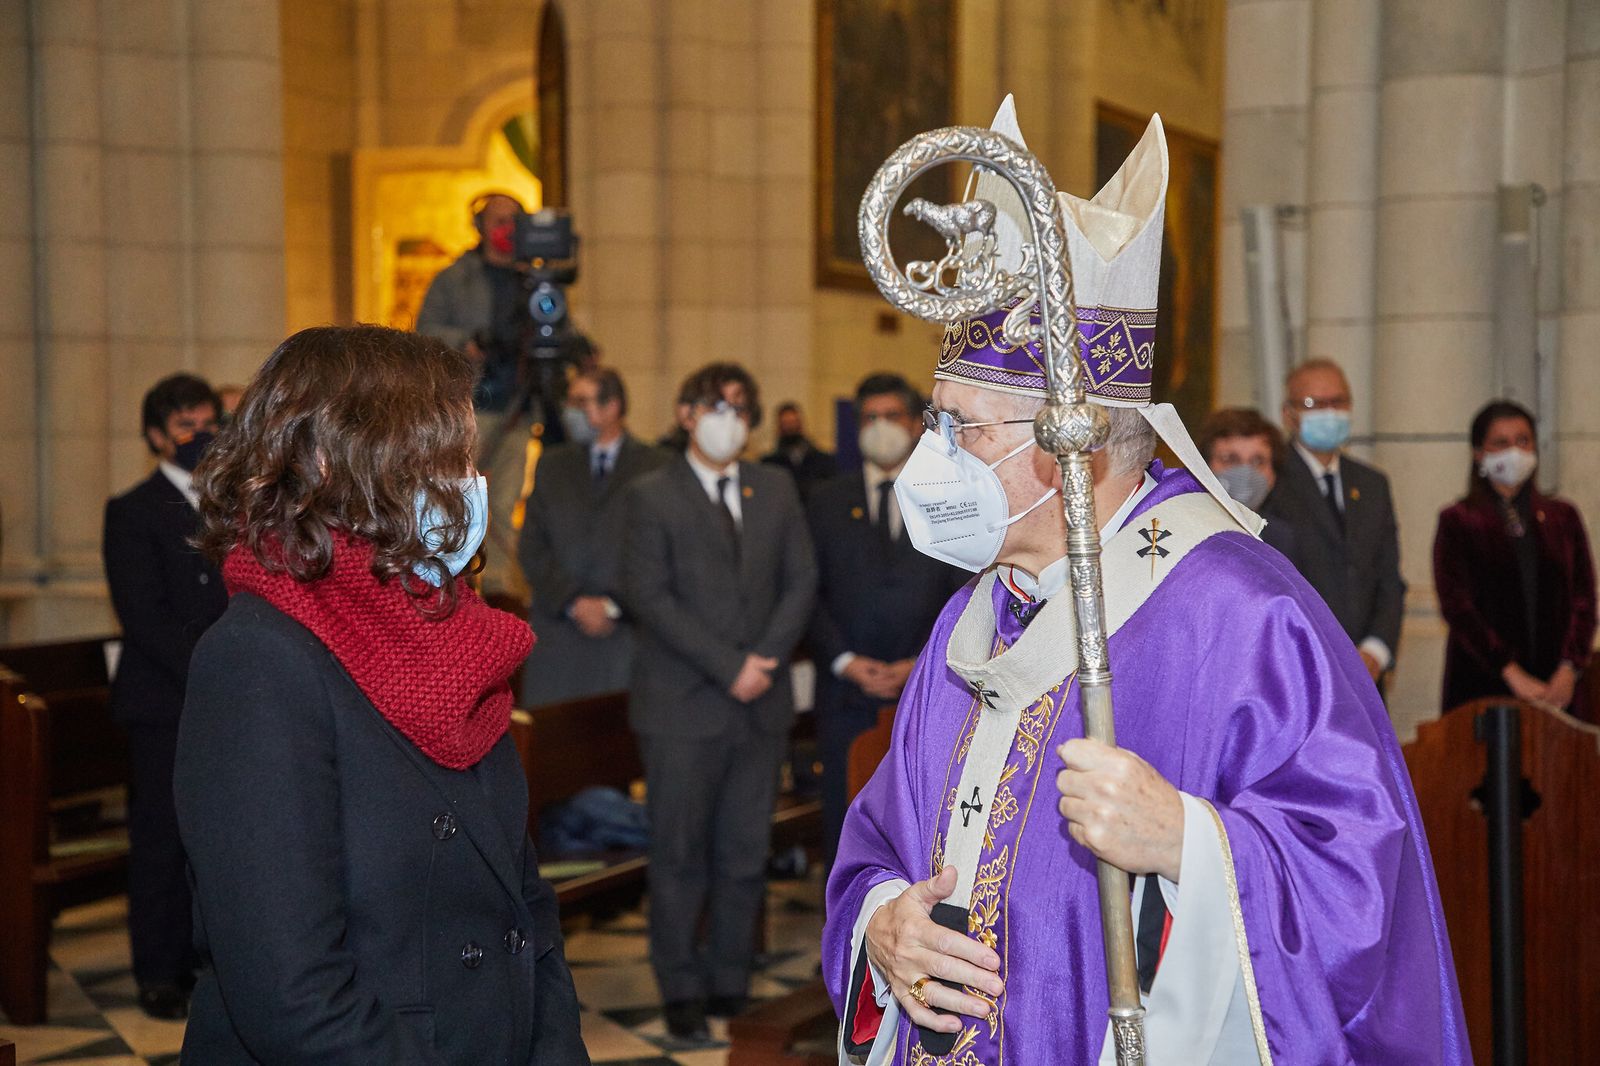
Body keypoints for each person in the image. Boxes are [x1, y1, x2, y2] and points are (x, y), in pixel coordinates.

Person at [825, 98, 1467, 1064]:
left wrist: (1190, 844)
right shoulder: (977, 611)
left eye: (966, 429)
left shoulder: (1245, 616)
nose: (933, 456)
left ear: (1069, 452)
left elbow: (1365, 886)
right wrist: (884, 927)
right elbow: (877, 837)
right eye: (934, 420)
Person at [175, 326, 588, 1064]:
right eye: (444, 455)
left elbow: (525, 910)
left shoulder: (456, 637)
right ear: (334, 462)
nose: (469, 479)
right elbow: (292, 993)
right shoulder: (257, 662)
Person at [623, 362, 818, 1043]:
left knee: (742, 852)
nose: (728, 417)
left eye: (741, 406)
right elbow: (650, 597)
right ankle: (679, 986)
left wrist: (762, 661)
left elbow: (801, 581)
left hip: (758, 706)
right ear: (684, 413)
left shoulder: (776, 487)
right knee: (679, 855)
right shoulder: (651, 494)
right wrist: (731, 665)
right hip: (682, 706)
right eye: (715, 404)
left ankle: (730, 980)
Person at [102, 372, 228, 1020]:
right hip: (165, 702)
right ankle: (159, 971)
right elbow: (143, 616)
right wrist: (215, 670)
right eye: (185, 425)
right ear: (156, 436)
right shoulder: (133, 511)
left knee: (220, 834)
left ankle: (216, 956)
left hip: (226, 698)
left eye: (208, 421)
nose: (201, 435)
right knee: (161, 837)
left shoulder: (231, 504)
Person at [806, 373, 966, 868]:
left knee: (921, 830)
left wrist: (922, 660)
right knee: (844, 827)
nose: (879, 428)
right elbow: (806, 592)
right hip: (845, 696)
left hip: (928, 688)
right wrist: (845, 660)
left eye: (891, 416)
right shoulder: (825, 500)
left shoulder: (949, 494)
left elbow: (964, 589)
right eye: (869, 418)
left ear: (916, 424)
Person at [1433, 399, 1596, 714]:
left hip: (1558, 689)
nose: (1515, 451)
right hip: (1483, 684)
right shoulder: (1458, 520)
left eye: (1523, 441)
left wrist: (1569, 668)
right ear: (1479, 453)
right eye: (1501, 443)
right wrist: (1510, 671)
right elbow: (1457, 606)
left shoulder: (1563, 516)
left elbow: (1584, 599)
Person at [517, 367, 666, 706]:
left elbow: (658, 554)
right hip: (559, 640)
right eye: (570, 401)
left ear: (612, 407)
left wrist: (612, 606)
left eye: (580, 401)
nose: (570, 411)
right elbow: (531, 548)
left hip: (627, 638)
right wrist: (574, 602)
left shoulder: (657, 467)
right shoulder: (551, 466)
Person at [416, 191, 533, 596]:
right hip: (468, 408)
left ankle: (501, 594)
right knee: (456, 504)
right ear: (480, 227)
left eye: (513, 221)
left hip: (517, 409)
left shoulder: (532, 280)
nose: (505, 230)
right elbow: (425, 331)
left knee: (502, 507)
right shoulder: (454, 279)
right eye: (498, 220)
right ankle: (451, 589)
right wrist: (466, 341)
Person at [1263, 357, 1405, 683]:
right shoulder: (1272, 483)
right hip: (1299, 671)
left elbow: (1389, 579)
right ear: (1289, 415)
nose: (1329, 411)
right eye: (1314, 403)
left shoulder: (1372, 485)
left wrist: (1376, 650)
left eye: (1337, 401)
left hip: (1366, 675)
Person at [1196, 406, 1300, 565]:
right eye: (1230, 459)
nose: (1245, 472)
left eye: (1258, 461)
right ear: (1204, 467)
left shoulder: (1282, 538)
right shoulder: (1187, 530)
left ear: (1274, 475)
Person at [763, 401, 837, 495]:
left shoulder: (824, 461)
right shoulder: (769, 464)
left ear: (801, 425)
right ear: (779, 428)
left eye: (793, 423)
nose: (790, 428)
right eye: (786, 424)